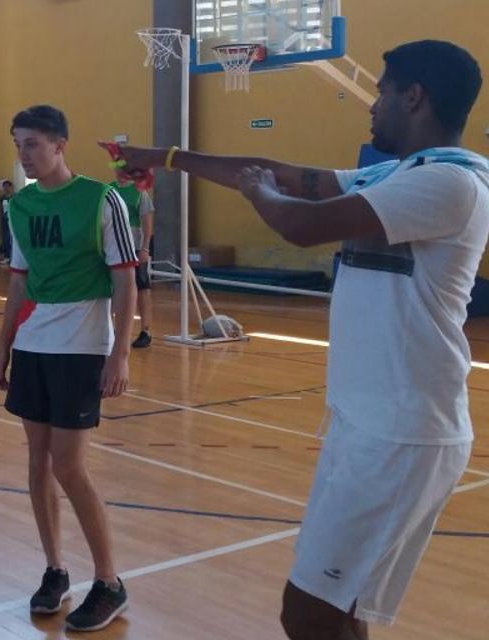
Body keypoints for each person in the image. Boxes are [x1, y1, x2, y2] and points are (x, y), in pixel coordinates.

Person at [111, 40, 488, 639]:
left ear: (414, 96)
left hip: (403, 432)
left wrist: (262, 192)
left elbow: (301, 222)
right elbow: (281, 173)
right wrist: (165, 156)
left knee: (308, 612)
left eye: (382, 89)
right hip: (363, 422)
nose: (373, 105)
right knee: (342, 607)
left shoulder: (452, 184)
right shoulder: (397, 172)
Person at [0, 105, 136, 632]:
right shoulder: (20, 206)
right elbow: (18, 282)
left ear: (59, 145)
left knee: (69, 467)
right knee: (36, 464)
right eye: (18, 143)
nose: (23, 154)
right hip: (33, 343)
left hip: (82, 345)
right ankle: (55, 570)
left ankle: (109, 582)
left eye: (31, 144)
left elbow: (124, 279)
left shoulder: (102, 199)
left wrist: (120, 351)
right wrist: (3, 345)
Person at [108, 178, 155, 348]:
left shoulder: (139, 191)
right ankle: (111, 328)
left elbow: (147, 221)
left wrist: (145, 248)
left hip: (135, 246)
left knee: (142, 286)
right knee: (114, 287)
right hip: (115, 246)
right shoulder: (109, 189)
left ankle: (146, 331)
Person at [0, 179, 14, 264]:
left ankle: (5, 254)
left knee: (11, 238)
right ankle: (3, 254)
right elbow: (0, 209)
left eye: (8, 186)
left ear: (11, 187)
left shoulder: (15, 197)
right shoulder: (2, 197)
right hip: (4, 220)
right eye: (4, 186)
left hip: (13, 220)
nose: (6, 188)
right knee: (5, 237)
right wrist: (0, 217)